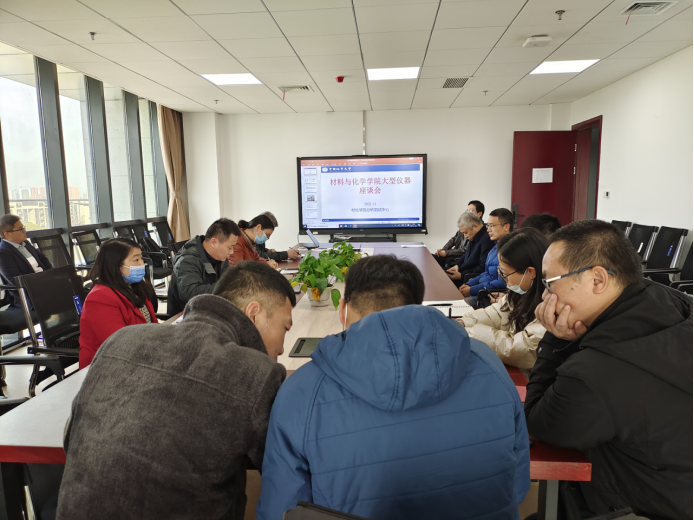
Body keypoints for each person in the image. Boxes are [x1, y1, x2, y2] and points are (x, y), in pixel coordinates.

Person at [257, 255, 530, 520]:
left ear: (343, 310)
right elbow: (516, 487)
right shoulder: (489, 364)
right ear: (415, 306)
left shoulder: (300, 392)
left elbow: (282, 510)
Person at [56, 261, 296, 520]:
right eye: (285, 328)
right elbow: (282, 471)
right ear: (253, 313)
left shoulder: (121, 339)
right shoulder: (257, 372)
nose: (282, 348)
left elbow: (71, 438)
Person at [525, 220, 692, 519]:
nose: (544, 296)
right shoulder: (674, 301)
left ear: (598, 279)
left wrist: (554, 339)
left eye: (550, 283)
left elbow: (537, 423)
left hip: (642, 508)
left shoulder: (593, 374)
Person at [458, 228, 548, 374]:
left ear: (530, 272)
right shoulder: (521, 291)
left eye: (505, 274)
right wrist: (464, 323)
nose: (503, 279)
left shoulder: (552, 304)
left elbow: (519, 348)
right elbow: (498, 313)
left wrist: (469, 333)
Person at [78, 238, 158, 369]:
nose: (141, 264)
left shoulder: (134, 286)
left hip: (139, 356)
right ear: (116, 266)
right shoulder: (99, 298)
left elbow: (151, 324)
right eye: (136, 260)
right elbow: (118, 343)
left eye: (141, 258)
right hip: (107, 365)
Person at [167, 218, 241, 315]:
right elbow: (191, 293)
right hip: (186, 315)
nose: (231, 252)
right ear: (213, 242)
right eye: (229, 247)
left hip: (209, 309)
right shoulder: (187, 260)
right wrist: (227, 286)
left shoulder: (221, 258)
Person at [459, 208, 514, 306]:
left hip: (490, 296)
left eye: (492, 226)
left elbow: (502, 283)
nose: (488, 229)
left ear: (506, 227)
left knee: (461, 305)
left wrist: (472, 290)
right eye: (488, 225)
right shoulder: (495, 247)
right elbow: (486, 273)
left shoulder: (511, 250)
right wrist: (469, 284)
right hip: (482, 291)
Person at [0, 214, 52, 310]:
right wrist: (44, 282)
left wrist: (52, 275)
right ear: (7, 234)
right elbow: (16, 280)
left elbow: (43, 259)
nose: (25, 231)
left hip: (46, 283)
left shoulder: (26, 244)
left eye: (23, 228)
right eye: (20, 229)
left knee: (73, 284)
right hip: (30, 294)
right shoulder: (3, 253)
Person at [445, 212, 494, 287]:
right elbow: (466, 255)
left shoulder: (487, 239)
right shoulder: (475, 235)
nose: (465, 236)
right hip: (462, 272)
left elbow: (482, 268)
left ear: (475, 226)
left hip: (467, 278)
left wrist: (461, 275)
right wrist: (457, 265)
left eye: (466, 232)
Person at [434, 201, 485, 268]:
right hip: (456, 259)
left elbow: (465, 250)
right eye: (467, 210)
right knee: (430, 258)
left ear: (479, 214)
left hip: (455, 258)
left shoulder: (478, 231)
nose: (467, 213)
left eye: (470, 210)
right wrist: (443, 250)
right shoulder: (464, 225)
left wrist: (446, 253)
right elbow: (453, 239)